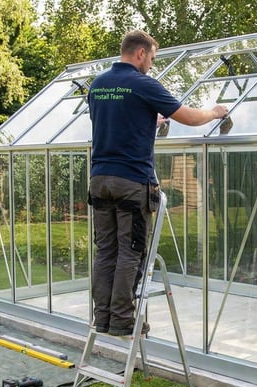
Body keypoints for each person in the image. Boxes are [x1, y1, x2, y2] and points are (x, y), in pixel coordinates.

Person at [88, 30, 229, 336]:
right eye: (151, 58)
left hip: (99, 180)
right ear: (140, 53)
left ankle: (103, 318)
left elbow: (115, 122)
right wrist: (214, 112)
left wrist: (148, 120)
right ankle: (123, 320)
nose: (151, 65)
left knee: (106, 251)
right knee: (131, 251)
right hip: (131, 181)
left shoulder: (98, 85)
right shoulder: (142, 83)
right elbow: (188, 116)